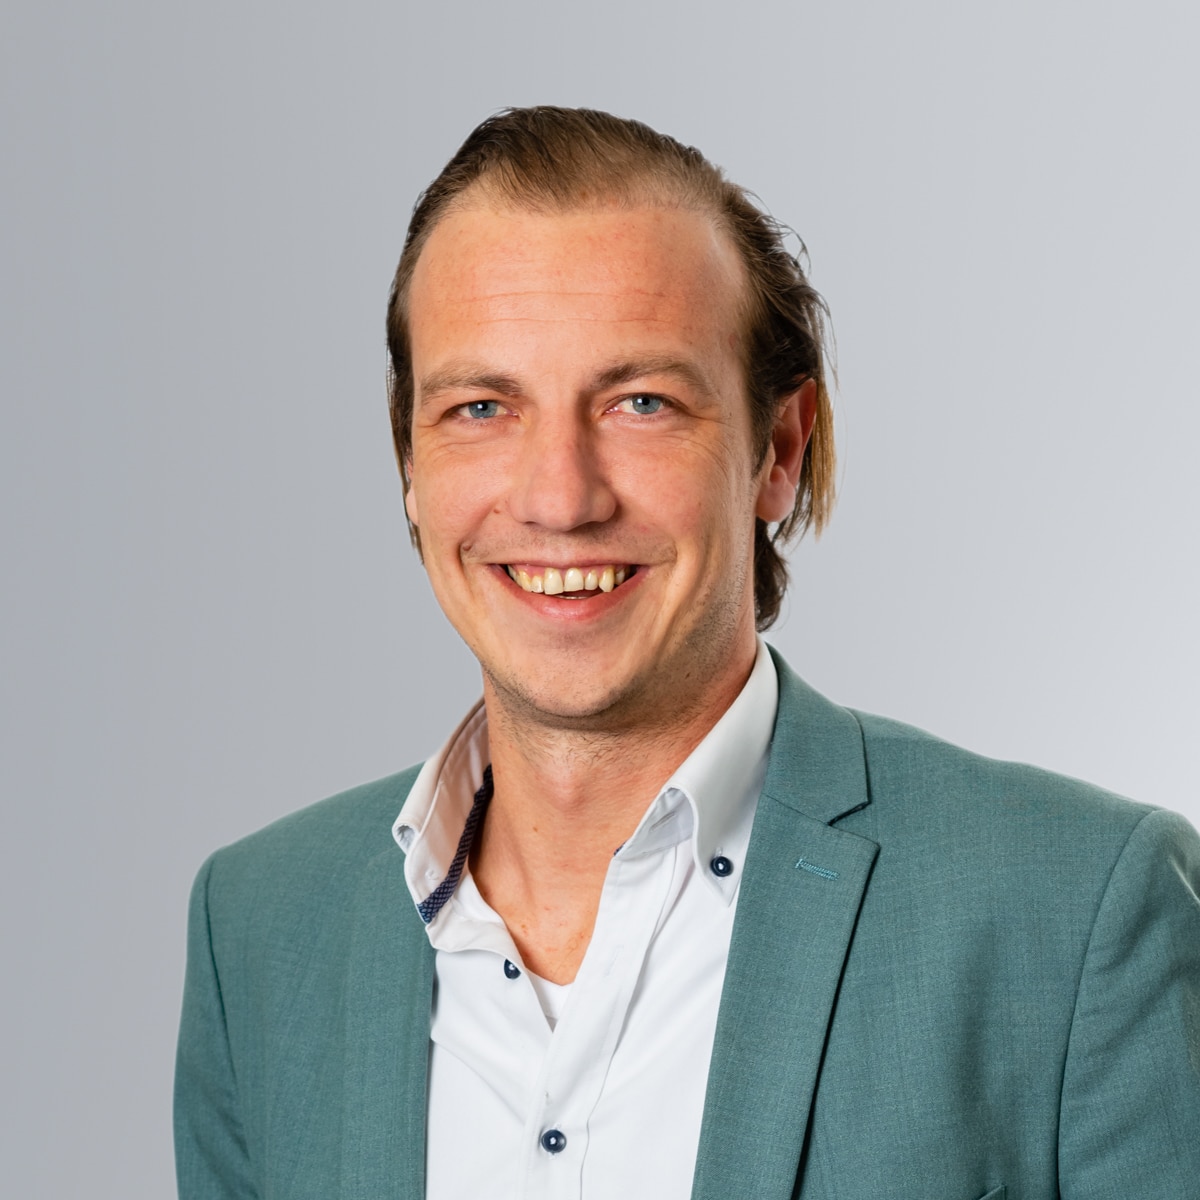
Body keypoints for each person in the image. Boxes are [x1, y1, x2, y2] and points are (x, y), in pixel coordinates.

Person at [174, 107, 1200, 1200]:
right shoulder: (259, 930)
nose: (560, 498)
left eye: (641, 402)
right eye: (481, 407)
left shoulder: (1080, 913)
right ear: (409, 464)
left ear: (779, 450)